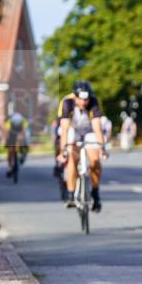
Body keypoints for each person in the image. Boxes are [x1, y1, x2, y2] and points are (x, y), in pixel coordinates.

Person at [56, 80, 106, 212]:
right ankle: (71, 194)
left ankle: (95, 193)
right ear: (75, 97)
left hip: (89, 131)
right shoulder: (67, 102)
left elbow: (97, 127)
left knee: (95, 160)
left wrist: (102, 148)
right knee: (72, 157)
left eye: (86, 100)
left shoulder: (94, 102)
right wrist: (63, 151)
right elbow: (65, 129)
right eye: (81, 100)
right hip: (73, 130)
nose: (84, 103)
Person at [4, 111, 29, 178]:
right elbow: (7, 131)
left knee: (22, 141)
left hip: (19, 133)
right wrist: (7, 139)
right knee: (10, 150)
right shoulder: (9, 121)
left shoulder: (23, 121)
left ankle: (22, 154)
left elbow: (24, 130)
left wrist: (23, 136)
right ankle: (9, 167)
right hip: (12, 134)